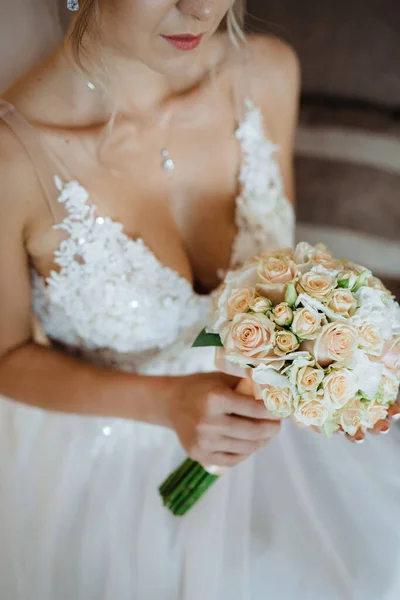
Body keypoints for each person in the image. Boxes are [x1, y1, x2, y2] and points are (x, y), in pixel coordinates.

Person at [0, 2, 398, 599]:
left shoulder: (266, 73)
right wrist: (166, 403)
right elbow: (7, 361)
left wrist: (341, 368)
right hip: (105, 459)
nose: (202, 8)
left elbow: (280, 277)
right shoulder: (11, 161)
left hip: (272, 441)